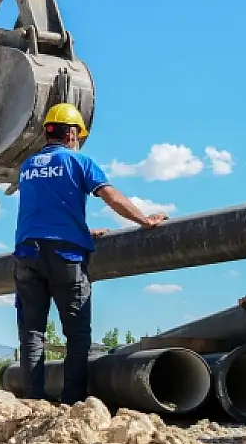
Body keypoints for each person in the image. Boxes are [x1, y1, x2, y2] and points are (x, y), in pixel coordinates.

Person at [13, 102, 168, 404]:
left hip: (27, 252)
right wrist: (145, 220)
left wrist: (81, 231)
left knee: (32, 333)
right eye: (78, 135)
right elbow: (111, 196)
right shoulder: (79, 162)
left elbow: (46, 209)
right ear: (71, 133)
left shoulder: (27, 167)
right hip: (65, 255)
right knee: (77, 335)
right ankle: (73, 402)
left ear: (47, 133)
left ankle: (34, 401)